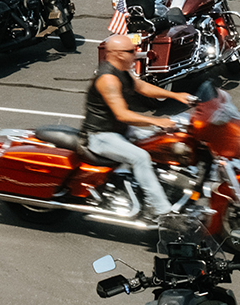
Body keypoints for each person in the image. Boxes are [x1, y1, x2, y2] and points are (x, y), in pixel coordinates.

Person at [83, 34, 194, 219]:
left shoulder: (122, 72)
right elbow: (122, 114)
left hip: (119, 131)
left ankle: (167, 186)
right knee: (141, 157)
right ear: (118, 54)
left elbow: (141, 87)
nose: (136, 54)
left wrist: (176, 95)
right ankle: (162, 211)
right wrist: (157, 121)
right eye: (131, 51)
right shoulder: (107, 79)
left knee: (160, 142)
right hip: (101, 135)